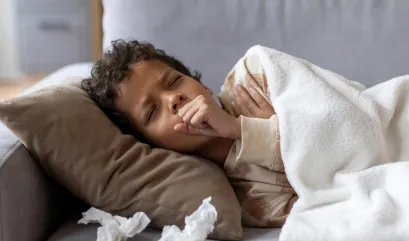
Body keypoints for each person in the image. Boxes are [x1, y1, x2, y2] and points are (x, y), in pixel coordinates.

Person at [82, 40, 297, 227]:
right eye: (152, 112)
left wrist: (291, 124)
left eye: (174, 81)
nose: (173, 99)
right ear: (153, 145)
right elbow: (321, 204)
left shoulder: (253, 77)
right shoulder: (248, 200)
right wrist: (265, 133)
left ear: (202, 85)